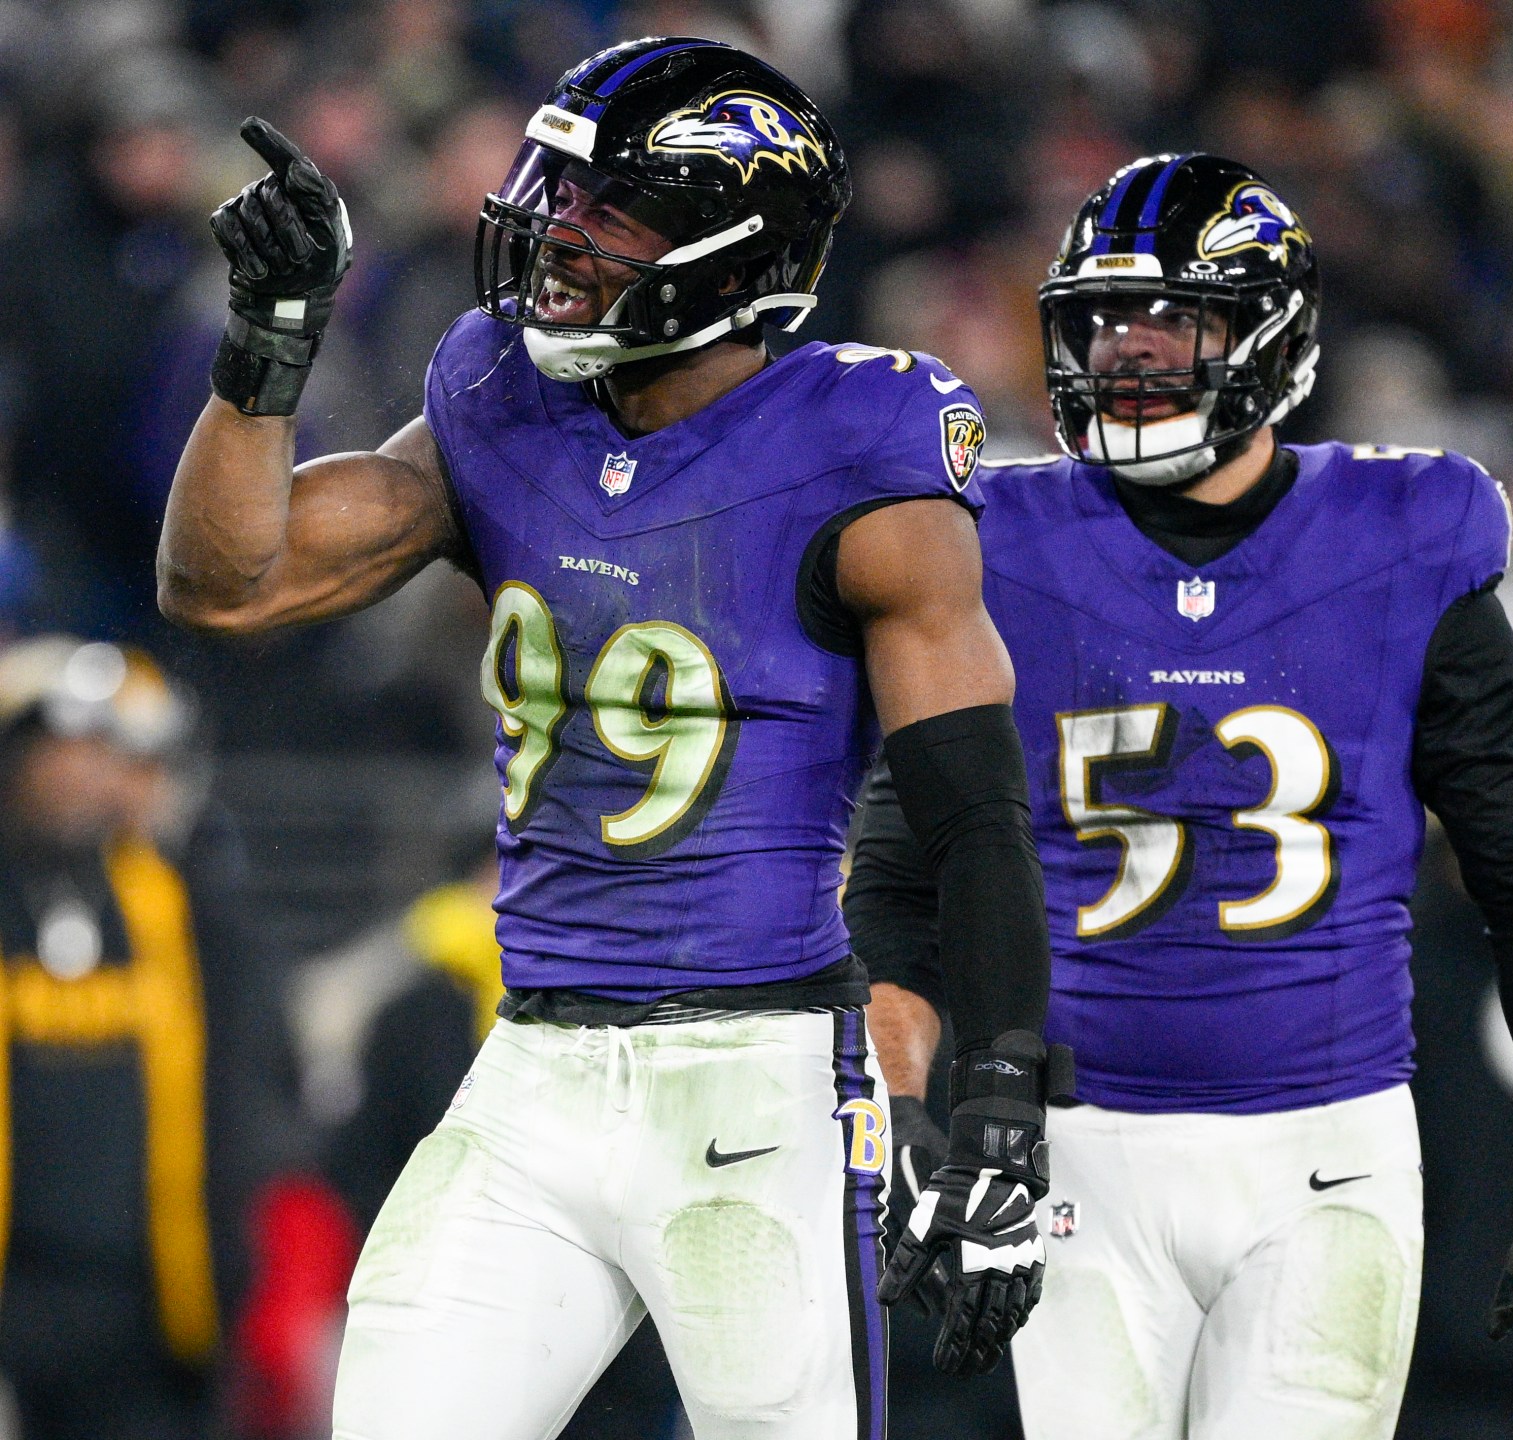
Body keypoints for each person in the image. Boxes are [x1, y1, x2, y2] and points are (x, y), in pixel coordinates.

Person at [155, 37, 1061, 1439]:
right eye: (556, 192)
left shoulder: (856, 440)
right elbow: (228, 580)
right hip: (533, 1066)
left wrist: (1002, 1088)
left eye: (611, 211)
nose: (560, 235)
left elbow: (973, 807)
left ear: (730, 255)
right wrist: (267, 345)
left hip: (753, 1079)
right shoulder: (501, 397)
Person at [842, 153, 1513, 1439]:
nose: (1128, 355)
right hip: (1074, 1151)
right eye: (1105, 324)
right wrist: (908, 1109)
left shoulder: (1405, 534)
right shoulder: (996, 543)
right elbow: (896, 874)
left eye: (1172, 322)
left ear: (1267, 336)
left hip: (1327, 1154)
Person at [0, 637, 306, 1440]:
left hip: (159, 1303)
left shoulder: (180, 904)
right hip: (22, 1303)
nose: (86, 773)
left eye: (104, 751)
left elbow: (256, 1078)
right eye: (58, 748)